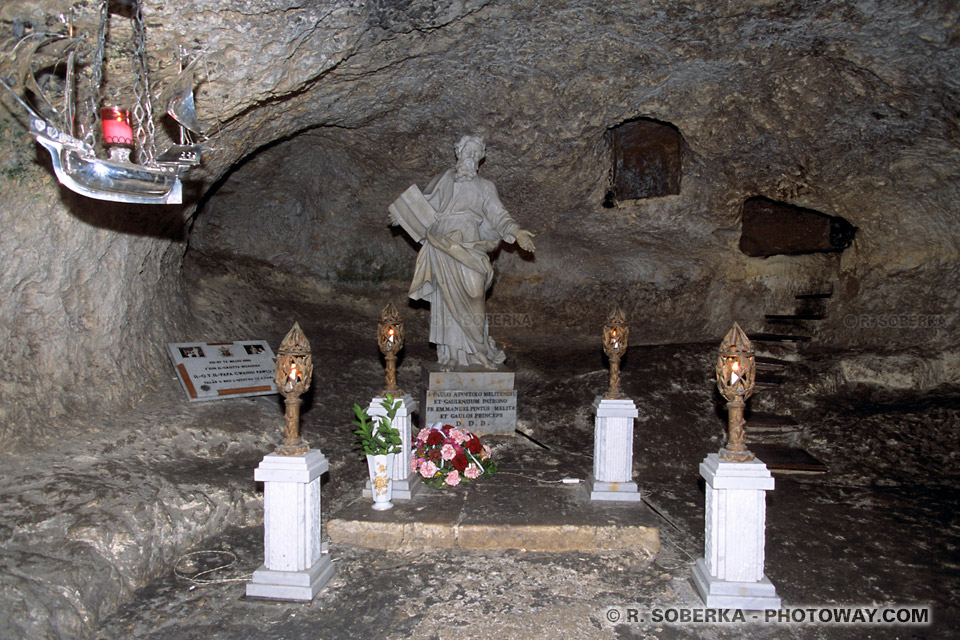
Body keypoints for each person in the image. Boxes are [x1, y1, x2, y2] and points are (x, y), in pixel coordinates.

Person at [405, 135, 535, 369]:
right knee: (446, 300)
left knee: (475, 294)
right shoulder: (442, 181)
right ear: (459, 152)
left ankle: (479, 349)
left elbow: (499, 215)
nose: (471, 157)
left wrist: (517, 233)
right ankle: (454, 355)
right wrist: (400, 215)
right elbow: (419, 207)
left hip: (470, 243)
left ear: (480, 159)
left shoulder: (486, 187)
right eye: (468, 151)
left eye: (476, 153)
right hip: (443, 242)